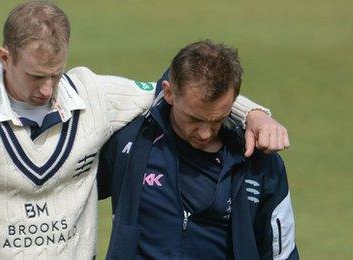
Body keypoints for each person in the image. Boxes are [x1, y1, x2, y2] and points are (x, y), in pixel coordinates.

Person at [0, 2, 288, 258]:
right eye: (35, 75)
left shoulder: (95, 95)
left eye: (55, 75)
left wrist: (251, 114)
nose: (46, 89)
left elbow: (178, 93)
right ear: (4, 57)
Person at [97, 40, 298, 259]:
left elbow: (281, 252)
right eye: (194, 119)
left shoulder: (259, 162)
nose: (205, 133)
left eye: (217, 120)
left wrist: (254, 112)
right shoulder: (132, 140)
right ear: (169, 93)